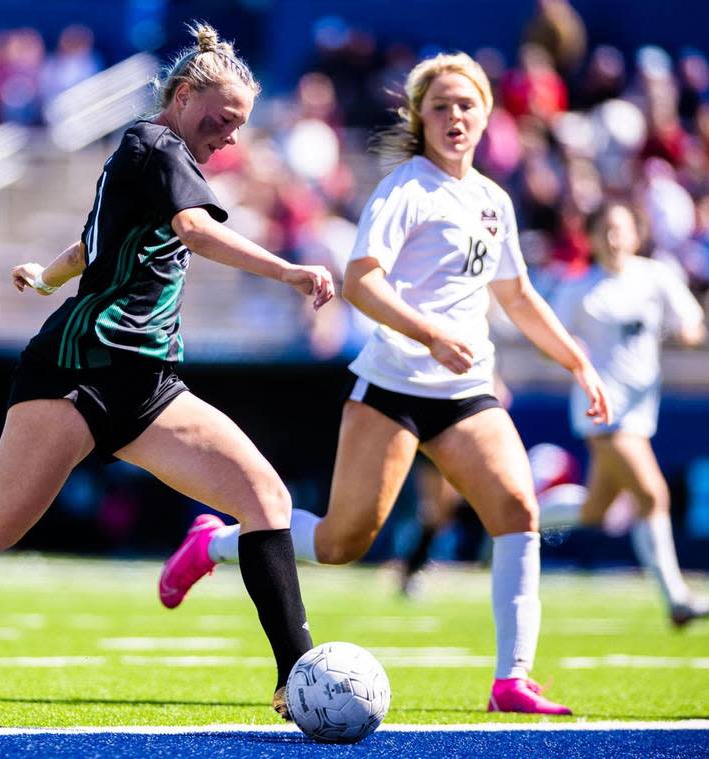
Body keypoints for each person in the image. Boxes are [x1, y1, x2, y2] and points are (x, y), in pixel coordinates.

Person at [0, 23, 335, 718]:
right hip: (77, 371)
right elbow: (195, 232)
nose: (232, 135)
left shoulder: (151, 157)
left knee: (264, 496)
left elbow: (92, 240)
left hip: (148, 385)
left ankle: (295, 672)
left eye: (240, 125)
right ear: (182, 96)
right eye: (224, 118)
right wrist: (289, 270)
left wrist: (49, 275)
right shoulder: (156, 144)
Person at [158, 51, 611, 716]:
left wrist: (577, 360)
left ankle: (511, 678)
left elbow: (517, 297)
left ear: (486, 116)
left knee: (518, 510)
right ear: (419, 117)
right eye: (440, 105)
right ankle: (215, 542)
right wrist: (429, 333)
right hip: (395, 385)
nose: (454, 115)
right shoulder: (406, 190)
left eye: (466, 105)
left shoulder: (491, 199)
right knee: (344, 542)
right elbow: (361, 282)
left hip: (466, 390)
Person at [541, 201, 708, 627]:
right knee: (652, 494)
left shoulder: (657, 277)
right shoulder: (579, 287)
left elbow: (690, 323)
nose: (613, 238)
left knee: (595, 511)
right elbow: (550, 338)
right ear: (592, 237)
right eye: (605, 230)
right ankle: (677, 599)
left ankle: (517, 521)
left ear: (636, 234)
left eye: (621, 229)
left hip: (640, 410)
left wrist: (688, 333)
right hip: (601, 410)